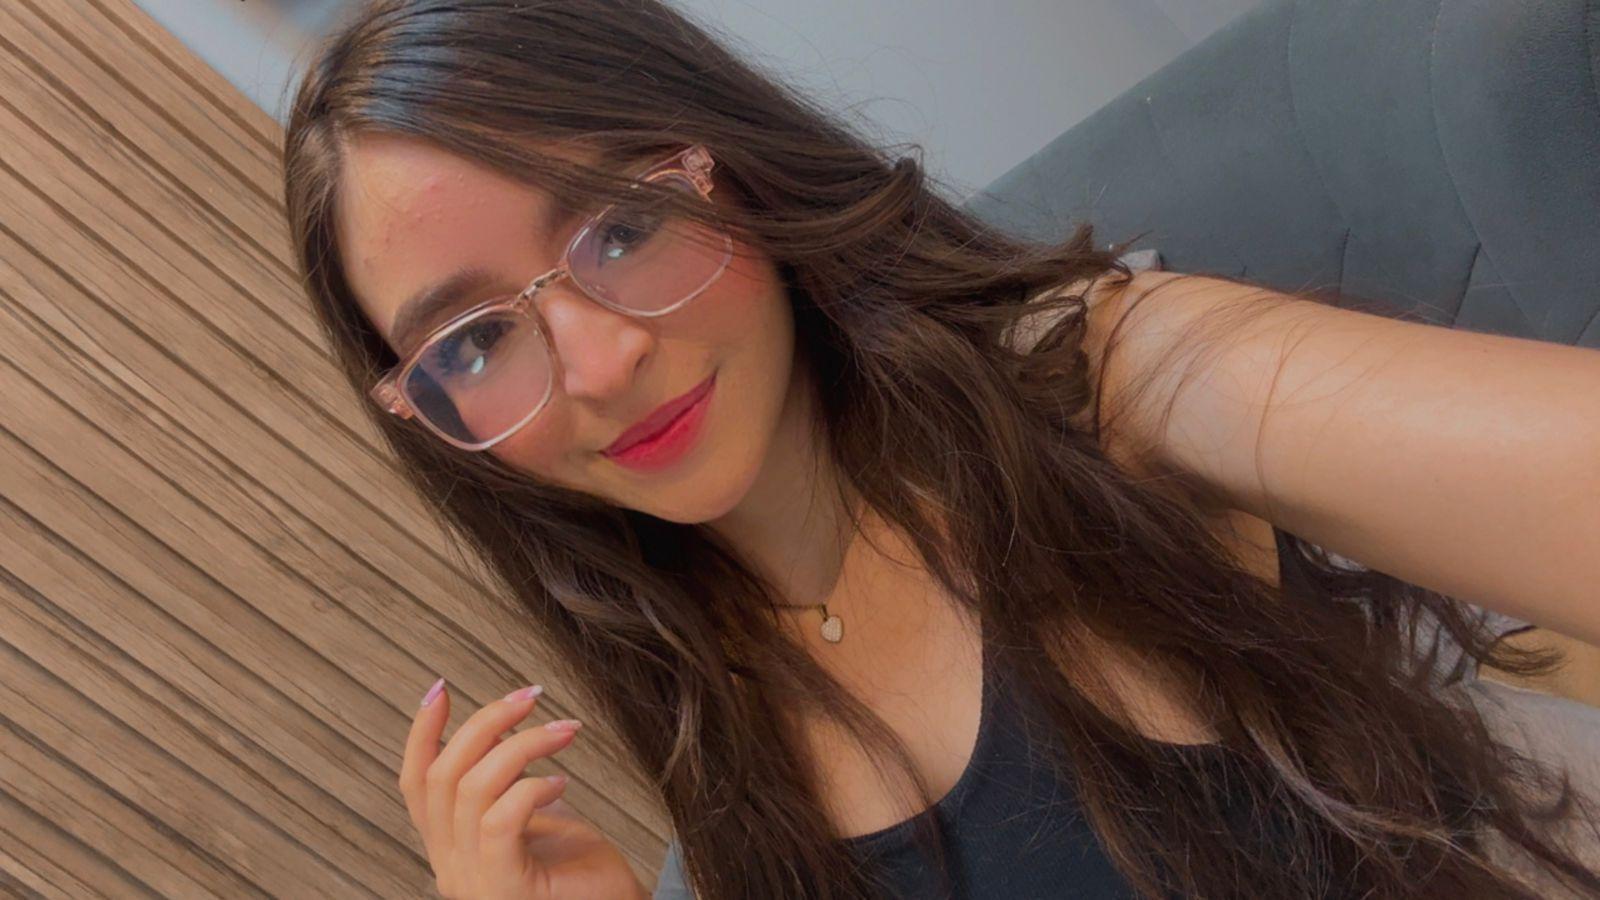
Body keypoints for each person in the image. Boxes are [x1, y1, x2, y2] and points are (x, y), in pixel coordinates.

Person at [279, 0, 1600, 896]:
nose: (599, 362)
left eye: (621, 228)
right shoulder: (711, 746)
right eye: (475, 345)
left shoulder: (1105, 389)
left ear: (728, 161)